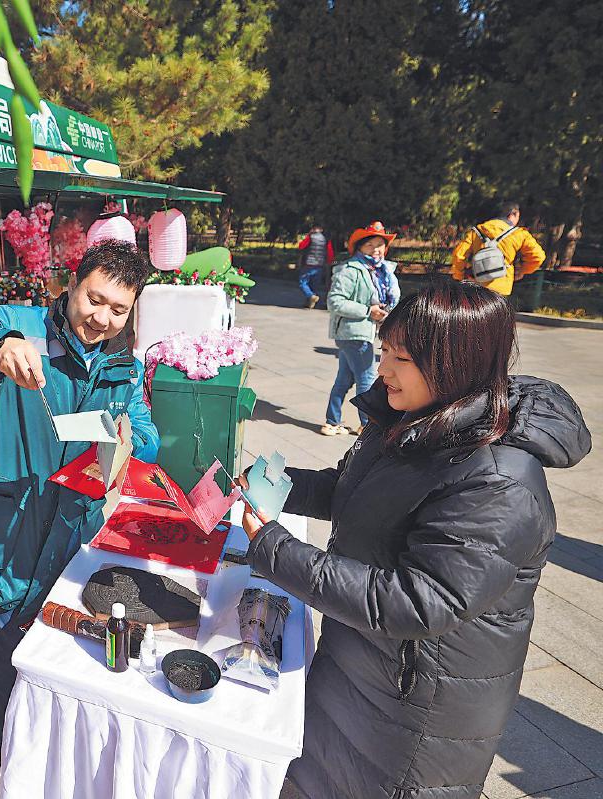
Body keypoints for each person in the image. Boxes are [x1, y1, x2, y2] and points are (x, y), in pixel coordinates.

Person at [240, 281, 591, 799]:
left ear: (457, 363)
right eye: (383, 350)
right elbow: (353, 492)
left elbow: (420, 601)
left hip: (419, 704)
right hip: (364, 661)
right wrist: (274, 483)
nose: (382, 368)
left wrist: (275, 548)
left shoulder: (499, 480)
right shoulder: (414, 419)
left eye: (400, 358)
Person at [0, 240, 160, 763]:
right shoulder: (17, 327)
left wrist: (131, 440)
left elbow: (146, 434)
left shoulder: (123, 364)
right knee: (4, 658)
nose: (102, 319)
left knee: (61, 656)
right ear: (71, 284)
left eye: (118, 310)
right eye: (94, 300)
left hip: (72, 539)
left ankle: (50, 755)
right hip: (2, 539)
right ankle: (5, 753)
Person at [321, 221, 400, 436]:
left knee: (344, 379)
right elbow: (334, 301)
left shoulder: (384, 270)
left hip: (366, 330)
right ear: (359, 248)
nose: (376, 250)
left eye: (380, 245)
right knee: (366, 379)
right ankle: (368, 426)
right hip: (352, 331)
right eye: (370, 245)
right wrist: (368, 311)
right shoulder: (349, 269)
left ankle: (332, 422)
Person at [451, 201, 546, 296]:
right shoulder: (519, 234)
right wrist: (522, 271)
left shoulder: (477, 231)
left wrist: (459, 277)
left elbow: (458, 255)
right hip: (502, 288)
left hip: (477, 285)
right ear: (513, 214)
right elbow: (538, 257)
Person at [296, 224, 334, 308]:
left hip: (308, 264)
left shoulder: (310, 237)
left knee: (303, 283)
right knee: (314, 285)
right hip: (319, 265)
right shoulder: (326, 239)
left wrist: (308, 235)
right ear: (321, 229)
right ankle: (310, 302)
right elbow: (330, 252)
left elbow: (301, 246)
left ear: (313, 228)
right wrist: (329, 262)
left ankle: (311, 296)